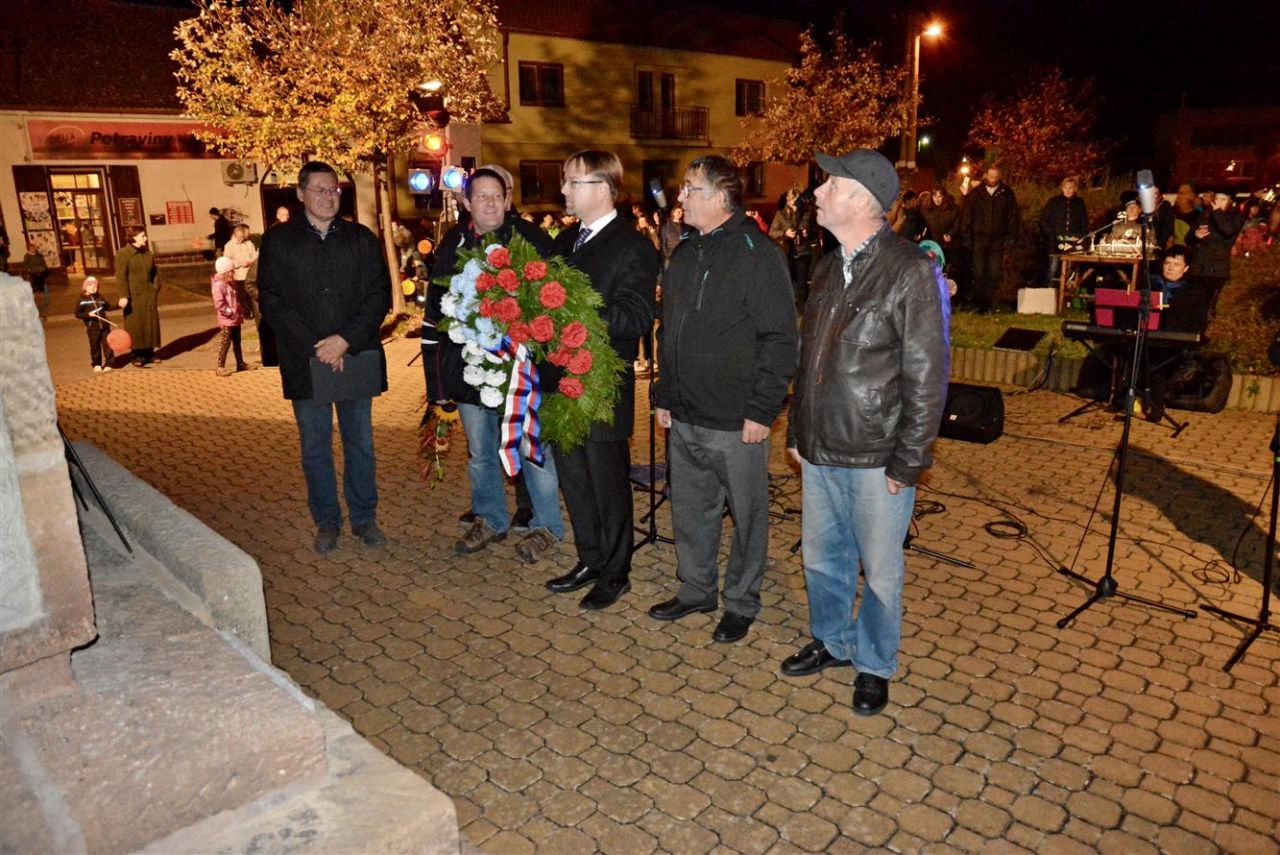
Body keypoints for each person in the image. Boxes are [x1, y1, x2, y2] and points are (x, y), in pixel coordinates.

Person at [782, 148, 950, 718]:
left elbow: (927, 376)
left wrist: (910, 460)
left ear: (860, 200)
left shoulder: (910, 270)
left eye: (829, 184)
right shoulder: (828, 266)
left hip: (877, 456)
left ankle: (875, 663)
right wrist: (797, 429)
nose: (817, 192)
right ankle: (833, 641)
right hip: (820, 446)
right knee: (821, 560)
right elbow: (810, 358)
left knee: (879, 573)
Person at [650, 155, 798, 643]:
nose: (681, 197)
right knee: (691, 510)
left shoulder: (757, 253)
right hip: (686, 413)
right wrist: (664, 392)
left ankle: (741, 600)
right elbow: (669, 330)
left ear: (719, 197)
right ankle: (696, 588)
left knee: (748, 517)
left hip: (737, 420)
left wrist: (762, 409)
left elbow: (780, 337)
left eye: (690, 188)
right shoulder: (686, 252)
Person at [422, 167, 563, 563]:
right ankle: (490, 518)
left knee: (532, 449)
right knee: (480, 453)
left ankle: (546, 526)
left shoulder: (531, 240)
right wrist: (437, 387)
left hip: (520, 373)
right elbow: (434, 315)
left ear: (507, 200)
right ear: (467, 202)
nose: (489, 203)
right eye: (481, 196)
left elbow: (556, 303)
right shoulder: (452, 244)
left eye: (496, 196)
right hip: (467, 374)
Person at [544, 150, 659, 610]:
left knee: (607, 484)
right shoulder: (564, 241)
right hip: (558, 380)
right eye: (565, 181)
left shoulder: (633, 247)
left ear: (605, 188)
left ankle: (615, 571)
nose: (564, 190)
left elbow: (635, 316)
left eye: (573, 182)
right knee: (574, 480)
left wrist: (573, 314)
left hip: (600, 386)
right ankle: (590, 558)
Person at [257, 161, 390, 556]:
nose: (328, 197)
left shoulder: (360, 239)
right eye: (319, 190)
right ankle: (327, 521)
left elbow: (378, 294)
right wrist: (320, 347)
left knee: (360, 445)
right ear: (300, 194)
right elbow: (272, 301)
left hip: (354, 356)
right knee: (315, 449)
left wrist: (345, 340)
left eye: (333, 190)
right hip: (306, 360)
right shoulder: (279, 242)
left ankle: (364, 518)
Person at [958, 165, 1018, 312]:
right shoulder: (976, 193)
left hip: (998, 239)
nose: (993, 180)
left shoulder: (1006, 193)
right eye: (991, 177)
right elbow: (967, 214)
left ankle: (988, 303)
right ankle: (979, 304)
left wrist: (1010, 237)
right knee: (979, 272)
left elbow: (1013, 216)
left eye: (996, 177)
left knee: (994, 273)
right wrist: (966, 236)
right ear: (986, 175)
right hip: (979, 238)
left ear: (1000, 177)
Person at [1187, 191, 1244, 317]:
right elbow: (1188, 239)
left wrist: (1217, 212)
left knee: (1209, 305)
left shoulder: (1235, 218)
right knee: (1193, 303)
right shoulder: (1204, 216)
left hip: (1216, 270)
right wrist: (1195, 235)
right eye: (1217, 198)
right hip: (1198, 267)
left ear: (1230, 202)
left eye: (1223, 199)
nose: (1218, 202)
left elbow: (1228, 230)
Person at [114, 227, 160, 366]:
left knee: (150, 324)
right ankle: (137, 355)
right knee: (136, 326)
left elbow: (155, 274)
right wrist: (123, 295)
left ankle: (149, 353)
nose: (145, 238)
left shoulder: (148, 254)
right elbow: (121, 276)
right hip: (133, 296)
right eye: (142, 236)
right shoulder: (123, 254)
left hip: (148, 295)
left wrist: (155, 288)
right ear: (133, 237)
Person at [1039, 176, 1088, 285]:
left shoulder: (1079, 203)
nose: (1068, 190)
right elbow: (1043, 220)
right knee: (1052, 268)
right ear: (1062, 188)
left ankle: (1066, 291)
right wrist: (1050, 234)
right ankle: (1049, 290)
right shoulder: (1053, 202)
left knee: (1070, 269)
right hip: (1055, 241)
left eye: (1071, 188)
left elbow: (1084, 221)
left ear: (1075, 188)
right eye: (1066, 188)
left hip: (1073, 241)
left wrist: (1082, 236)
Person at [211, 256, 248, 376]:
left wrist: (240, 311)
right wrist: (230, 313)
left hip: (235, 318)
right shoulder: (219, 286)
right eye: (230, 271)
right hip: (227, 320)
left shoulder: (230, 284)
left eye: (232, 271)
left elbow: (235, 300)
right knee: (225, 343)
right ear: (223, 273)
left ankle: (240, 363)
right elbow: (219, 304)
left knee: (237, 342)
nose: (233, 274)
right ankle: (220, 367)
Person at [74, 275, 112, 372]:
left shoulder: (100, 297)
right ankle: (97, 363)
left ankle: (109, 363)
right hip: (93, 328)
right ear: (85, 287)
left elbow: (108, 307)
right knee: (95, 346)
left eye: (95, 286)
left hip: (104, 327)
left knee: (108, 346)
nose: (93, 288)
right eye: (90, 285)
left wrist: (120, 305)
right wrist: (88, 315)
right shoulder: (81, 300)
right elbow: (77, 314)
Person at [23, 242, 50, 314]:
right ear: (29, 249)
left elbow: (43, 262)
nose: (33, 249)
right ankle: (36, 291)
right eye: (31, 248)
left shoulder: (39, 255)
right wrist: (28, 269)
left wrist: (44, 267)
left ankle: (42, 291)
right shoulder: (27, 256)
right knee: (35, 282)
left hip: (40, 270)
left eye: (34, 248)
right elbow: (26, 263)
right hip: (33, 271)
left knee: (41, 281)